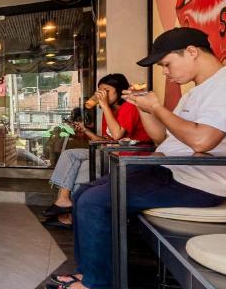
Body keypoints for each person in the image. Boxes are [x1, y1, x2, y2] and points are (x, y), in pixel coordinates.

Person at [46, 27, 226, 289]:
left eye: (167, 64)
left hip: (194, 181)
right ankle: (90, 272)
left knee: (93, 202)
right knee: (83, 193)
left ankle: (99, 286)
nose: (165, 72)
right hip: (171, 169)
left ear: (192, 52)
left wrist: (158, 108)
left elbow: (202, 141)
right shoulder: (196, 92)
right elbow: (162, 138)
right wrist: (145, 109)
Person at [43, 73, 152, 227]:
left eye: (106, 90)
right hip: (112, 152)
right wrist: (86, 131)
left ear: (119, 90)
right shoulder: (109, 111)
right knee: (69, 154)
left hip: (130, 155)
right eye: (100, 90)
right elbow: (107, 141)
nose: (102, 95)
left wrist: (104, 106)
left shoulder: (129, 106)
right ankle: (63, 199)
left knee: (85, 166)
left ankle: (75, 216)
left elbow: (117, 134)